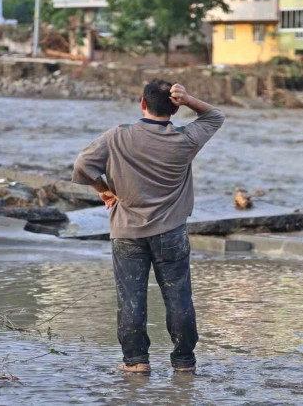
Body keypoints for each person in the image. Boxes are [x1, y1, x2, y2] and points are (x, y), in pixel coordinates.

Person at [71, 80, 225, 374]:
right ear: (175, 109)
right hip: (172, 232)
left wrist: (103, 190)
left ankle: (136, 361)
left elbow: (81, 165)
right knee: (178, 296)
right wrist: (190, 98)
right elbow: (215, 116)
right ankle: (183, 361)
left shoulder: (118, 136)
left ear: (142, 104)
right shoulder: (185, 139)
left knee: (131, 297)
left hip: (127, 231)